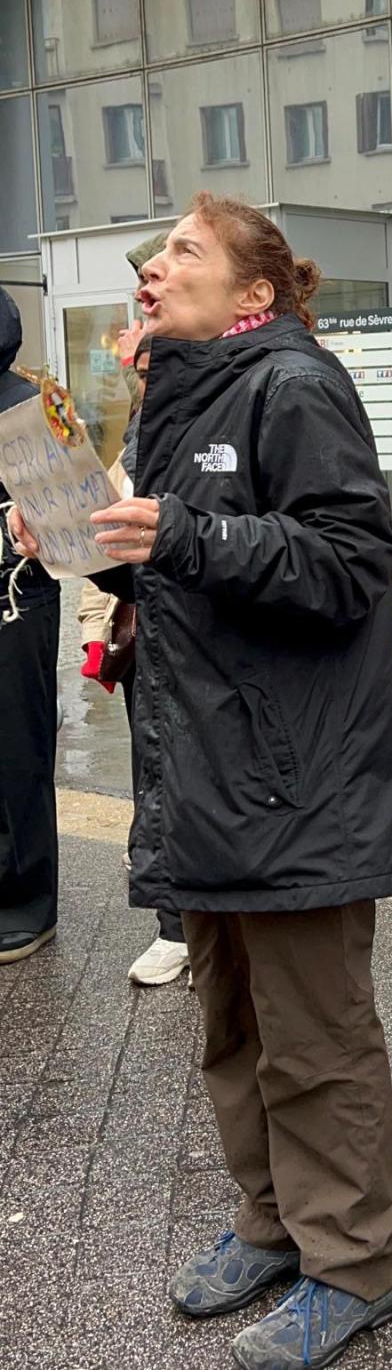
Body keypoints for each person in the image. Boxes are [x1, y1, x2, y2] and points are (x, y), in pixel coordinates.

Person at [12, 195, 392, 1370]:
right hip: (211, 774)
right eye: (157, 253)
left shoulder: (294, 384)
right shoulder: (181, 396)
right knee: (233, 1025)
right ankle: (272, 1221)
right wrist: (93, 546)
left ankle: (358, 1262)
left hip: (295, 778)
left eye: (185, 249)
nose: (154, 267)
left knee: (316, 1035)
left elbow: (350, 562)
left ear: (254, 291)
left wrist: (181, 533)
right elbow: (184, 561)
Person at [78, 336, 190, 987]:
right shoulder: (135, 440)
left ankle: (203, 928)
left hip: (203, 639)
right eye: (140, 373)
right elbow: (108, 539)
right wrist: (94, 633)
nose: (148, 383)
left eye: (156, 369)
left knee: (190, 781)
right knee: (154, 776)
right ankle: (174, 926)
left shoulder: (220, 421)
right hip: (145, 637)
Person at [0, 289, 61, 966]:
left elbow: (71, 509)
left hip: (16, 599)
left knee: (17, 752)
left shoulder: (30, 406)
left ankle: (25, 902)